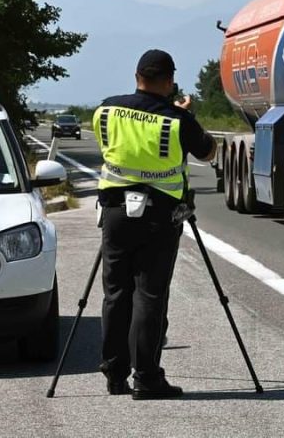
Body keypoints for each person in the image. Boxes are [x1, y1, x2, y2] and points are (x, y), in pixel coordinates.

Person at [93, 49, 217, 400]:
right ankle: (146, 377)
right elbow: (208, 153)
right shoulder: (176, 119)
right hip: (159, 216)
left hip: (115, 212)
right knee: (150, 294)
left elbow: (109, 148)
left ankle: (114, 374)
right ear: (168, 81)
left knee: (116, 293)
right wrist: (187, 115)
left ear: (137, 77)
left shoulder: (106, 109)